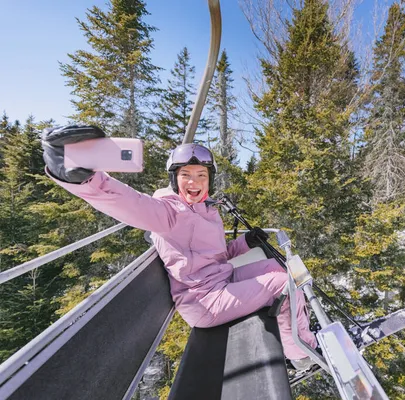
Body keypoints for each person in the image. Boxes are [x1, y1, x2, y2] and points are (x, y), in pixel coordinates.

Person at [41, 125, 317, 368]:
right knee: (283, 283)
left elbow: (217, 256)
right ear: (175, 179)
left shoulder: (204, 209)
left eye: (201, 175)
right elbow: (127, 201)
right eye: (186, 174)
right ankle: (302, 355)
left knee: (276, 265)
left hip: (220, 281)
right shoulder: (168, 212)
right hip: (203, 301)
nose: (194, 182)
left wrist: (245, 242)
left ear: (209, 180)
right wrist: (80, 178)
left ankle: (298, 322)